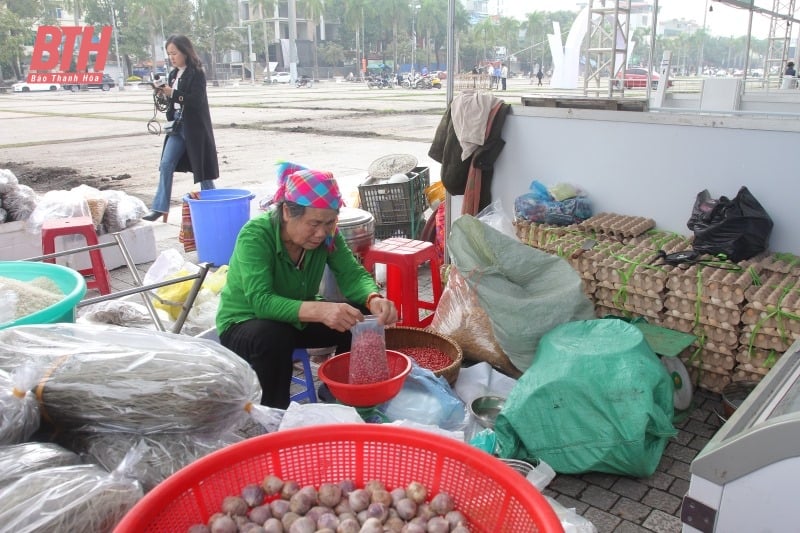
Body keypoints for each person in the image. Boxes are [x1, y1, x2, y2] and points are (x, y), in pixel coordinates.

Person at [216, 163, 398, 408]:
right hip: (245, 323)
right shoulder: (256, 235)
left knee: (359, 317)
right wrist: (321, 311)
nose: (322, 233)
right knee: (273, 336)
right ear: (288, 213)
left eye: (330, 223)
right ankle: (274, 414)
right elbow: (261, 302)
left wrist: (373, 298)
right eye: (314, 224)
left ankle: (341, 391)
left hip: (295, 321)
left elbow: (352, 274)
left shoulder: (328, 235)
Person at [143, 34, 219, 222]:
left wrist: (174, 93)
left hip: (194, 128)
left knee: (201, 170)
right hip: (177, 125)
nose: (172, 57)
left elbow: (195, 100)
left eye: (174, 53)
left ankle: (214, 202)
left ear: (185, 52)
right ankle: (160, 207)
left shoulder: (197, 73)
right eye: (169, 54)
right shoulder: (173, 74)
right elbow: (174, 100)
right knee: (166, 164)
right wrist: (163, 93)